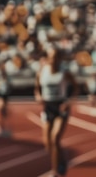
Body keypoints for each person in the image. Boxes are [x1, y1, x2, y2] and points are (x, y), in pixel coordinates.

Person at [34, 47, 79, 177]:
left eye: (56, 57)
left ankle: (55, 172)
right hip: (48, 107)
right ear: (48, 58)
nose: (53, 59)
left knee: (55, 139)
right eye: (51, 56)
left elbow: (76, 88)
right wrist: (38, 95)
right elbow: (37, 86)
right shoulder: (42, 71)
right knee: (47, 144)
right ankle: (62, 157)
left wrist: (68, 102)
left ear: (59, 58)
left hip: (61, 106)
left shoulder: (64, 73)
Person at [0, 61, 12, 134]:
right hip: (1, 94)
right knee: (1, 108)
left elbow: (10, 85)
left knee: (4, 109)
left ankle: (4, 124)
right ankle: (2, 124)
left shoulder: (7, 78)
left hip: (5, 95)